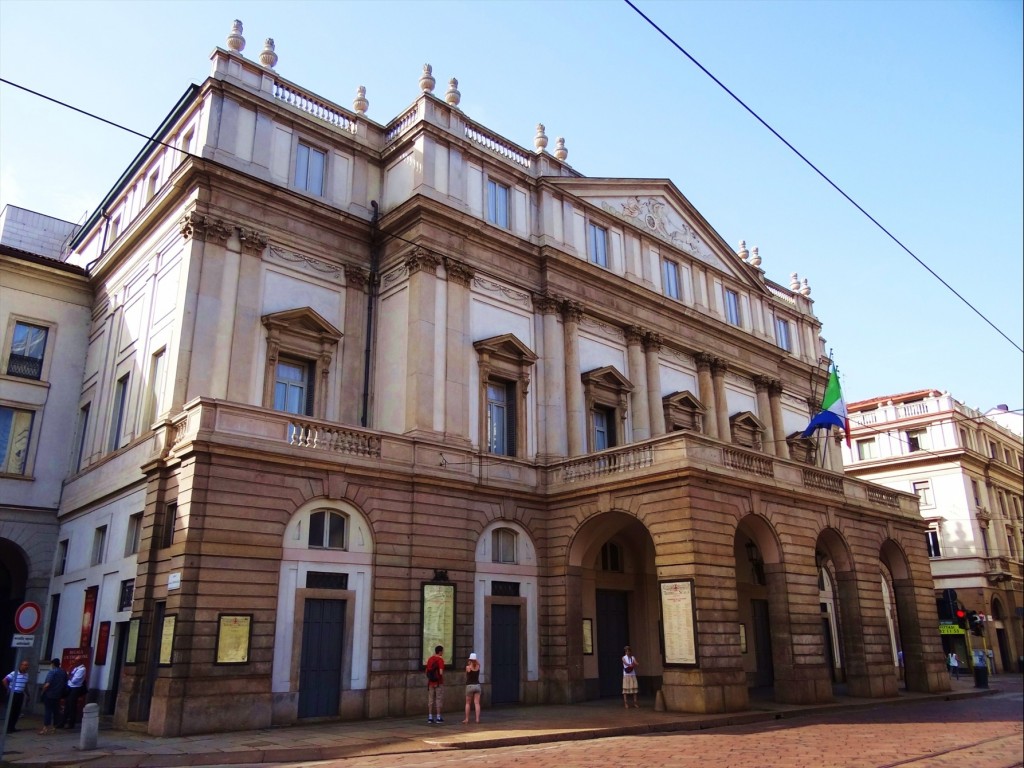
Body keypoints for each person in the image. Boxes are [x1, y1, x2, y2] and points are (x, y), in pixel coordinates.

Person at [39, 658, 68, 734]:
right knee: (56, 711)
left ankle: (45, 728)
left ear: (53, 664)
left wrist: (42, 692)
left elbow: (47, 684)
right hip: (58, 694)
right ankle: (54, 727)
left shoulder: (52, 672)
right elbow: (66, 682)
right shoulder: (63, 672)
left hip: (49, 694)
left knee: (48, 710)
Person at [2, 659, 31, 733]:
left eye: (27, 665)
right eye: (25, 665)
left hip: (20, 694)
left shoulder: (26, 675)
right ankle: (7, 728)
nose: (26, 666)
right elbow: (4, 680)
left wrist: (27, 694)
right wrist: (8, 689)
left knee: (16, 712)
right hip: (13, 694)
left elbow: (25, 685)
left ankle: (12, 727)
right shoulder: (14, 673)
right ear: (21, 665)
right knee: (11, 711)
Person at [63, 661, 87, 729]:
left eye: (75, 661)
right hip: (70, 687)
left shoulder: (82, 669)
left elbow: (74, 680)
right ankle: (64, 721)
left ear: (79, 661)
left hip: (76, 688)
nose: (74, 662)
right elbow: (71, 676)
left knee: (72, 706)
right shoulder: (76, 668)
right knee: (67, 704)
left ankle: (71, 723)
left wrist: (69, 676)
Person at [425, 645, 445, 723]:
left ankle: (430, 717)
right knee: (438, 699)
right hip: (438, 682)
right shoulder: (440, 660)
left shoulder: (430, 659)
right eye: (442, 651)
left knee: (430, 700)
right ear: (440, 652)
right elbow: (441, 672)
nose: (443, 652)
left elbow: (426, 671)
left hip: (430, 682)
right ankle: (438, 717)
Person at [462, 652, 481, 724]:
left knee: (468, 703)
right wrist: (475, 660)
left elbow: (468, 672)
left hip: (469, 686)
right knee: (477, 703)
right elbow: (477, 663)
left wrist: (470, 662)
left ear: (470, 659)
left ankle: (467, 719)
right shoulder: (478, 666)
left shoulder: (468, 667)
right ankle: (477, 719)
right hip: (477, 686)